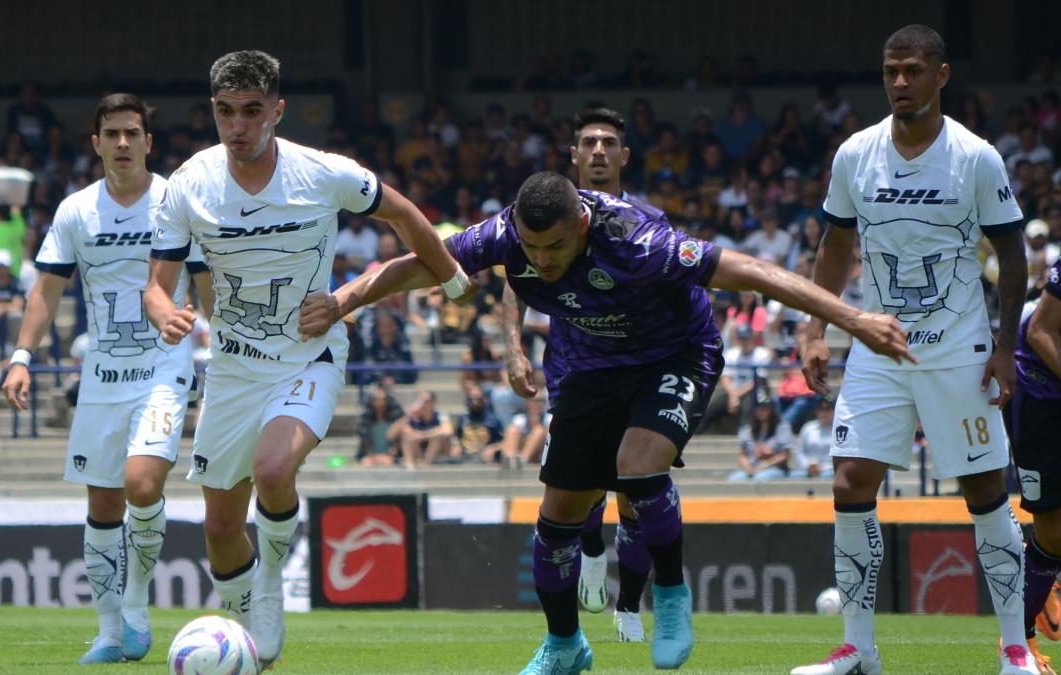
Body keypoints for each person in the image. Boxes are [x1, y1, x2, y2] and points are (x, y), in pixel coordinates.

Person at [301, 170, 911, 674]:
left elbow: (752, 271)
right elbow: (417, 264)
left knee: (637, 467)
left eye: (555, 248)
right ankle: (566, 645)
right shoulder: (505, 236)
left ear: (583, 226)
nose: (540, 261)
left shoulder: (636, 241)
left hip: (676, 356)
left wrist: (850, 319)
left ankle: (669, 594)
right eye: (531, 249)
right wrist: (343, 300)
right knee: (558, 517)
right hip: (591, 370)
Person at [142, 50, 470, 669]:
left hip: (307, 359)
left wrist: (450, 278)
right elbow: (158, 284)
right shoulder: (189, 183)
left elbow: (402, 212)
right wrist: (166, 314)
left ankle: (269, 584)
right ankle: (246, 634)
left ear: (277, 111)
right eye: (224, 112)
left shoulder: (322, 173)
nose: (237, 126)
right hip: (234, 371)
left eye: (251, 112)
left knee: (273, 470)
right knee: (217, 529)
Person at [794, 25, 1035, 675]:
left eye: (912, 71)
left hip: (959, 346)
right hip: (878, 344)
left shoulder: (976, 157)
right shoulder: (856, 154)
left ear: (941, 76)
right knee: (849, 482)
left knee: (984, 489)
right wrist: (817, 326)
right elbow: (836, 246)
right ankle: (857, 646)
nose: (900, 82)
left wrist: (1006, 346)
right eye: (890, 71)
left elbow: (1013, 255)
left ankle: (1014, 646)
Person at [1, 93, 213, 664]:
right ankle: (108, 630)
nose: (123, 143)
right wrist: (22, 356)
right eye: (112, 134)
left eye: (133, 134)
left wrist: (216, 338)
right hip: (101, 375)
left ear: (149, 141)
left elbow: (205, 278)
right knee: (102, 504)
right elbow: (46, 291)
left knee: (143, 485)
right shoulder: (75, 211)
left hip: (165, 369)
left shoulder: (176, 200)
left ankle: (138, 605)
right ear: (96, 144)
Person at [500, 107, 661, 643]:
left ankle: (630, 606)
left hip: (635, 374)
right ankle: (592, 550)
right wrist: (513, 347)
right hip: (571, 373)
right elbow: (517, 276)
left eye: (607, 142)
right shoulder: (547, 214)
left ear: (623, 156)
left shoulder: (644, 222)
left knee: (635, 495)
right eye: (587, 141)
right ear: (573, 154)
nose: (597, 150)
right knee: (582, 492)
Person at [1009, 259, 1061, 675]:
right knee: (1053, 527)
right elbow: (1040, 329)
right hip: (1039, 392)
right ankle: (1019, 641)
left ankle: (1047, 573)